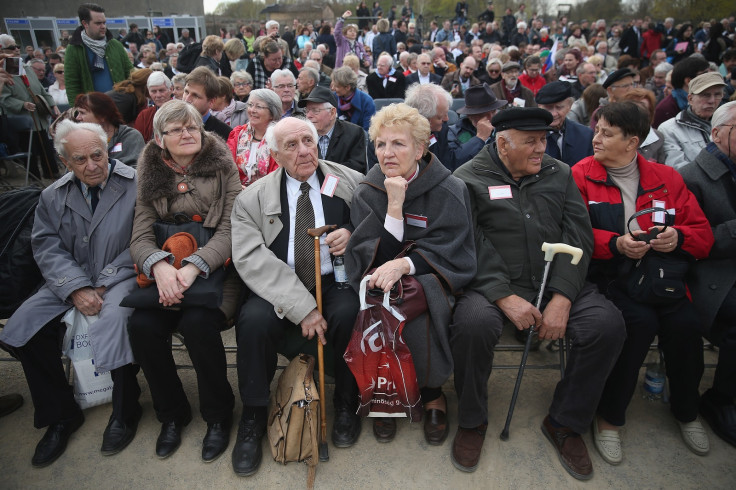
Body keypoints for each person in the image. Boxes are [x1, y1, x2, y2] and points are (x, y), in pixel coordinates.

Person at [452, 107, 626, 478]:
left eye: (544, 139)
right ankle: (472, 419)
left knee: (606, 325)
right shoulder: (467, 179)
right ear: (502, 143)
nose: (541, 149)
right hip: (494, 287)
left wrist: (562, 297)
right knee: (472, 323)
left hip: (557, 279)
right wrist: (503, 296)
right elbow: (469, 243)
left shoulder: (559, 173)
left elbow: (577, 236)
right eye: (530, 141)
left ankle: (565, 421)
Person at [571, 101, 714, 463]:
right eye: (597, 129)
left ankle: (687, 410)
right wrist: (615, 243)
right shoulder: (580, 175)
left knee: (686, 325)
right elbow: (574, 235)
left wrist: (677, 237)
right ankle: (610, 418)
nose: (596, 138)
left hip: (661, 278)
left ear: (632, 142)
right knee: (637, 324)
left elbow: (703, 235)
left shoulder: (667, 178)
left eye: (607, 133)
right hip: (610, 278)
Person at [0, 120, 142, 466]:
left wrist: (104, 280)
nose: (92, 165)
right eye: (81, 159)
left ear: (108, 150)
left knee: (115, 320)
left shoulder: (136, 183)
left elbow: (143, 237)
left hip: (120, 273)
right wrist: (76, 286)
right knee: (24, 330)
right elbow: (46, 246)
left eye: (98, 154)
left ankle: (125, 410)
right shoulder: (52, 195)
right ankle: (61, 414)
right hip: (68, 278)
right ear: (65, 163)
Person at [230, 117, 364, 476]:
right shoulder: (252, 198)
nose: (304, 151)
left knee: (350, 311)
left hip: (332, 278)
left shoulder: (349, 181)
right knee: (253, 321)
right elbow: (250, 258)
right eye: (292, 145)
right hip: (278, 283)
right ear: (275, 154)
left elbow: (374, 223)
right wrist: (302, 308)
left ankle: (347, 402)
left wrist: (352, 234)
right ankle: (254, 416)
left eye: (309, 140)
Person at [346, 102, 475, 445]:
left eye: (398, 144)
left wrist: (408, 264)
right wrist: (393, 206)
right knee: (379, 302)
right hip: (380, 286)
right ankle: (385, 397)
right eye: (380, 144)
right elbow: (367, 258)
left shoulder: (449, 189)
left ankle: (432, 393)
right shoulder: (368, 189)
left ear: (420, 148)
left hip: (435, 278)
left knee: (421, 306)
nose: (387, 153)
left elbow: (456, 248)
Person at [127, 99, 240, 462]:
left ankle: (218, 416)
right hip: (166, 274)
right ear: (160, 139)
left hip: (216, 273)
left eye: (192, 126)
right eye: (176, 129)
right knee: (142, 325)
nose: (187, 133)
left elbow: (231, 229)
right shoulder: (150, 171)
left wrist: (193, 267)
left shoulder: (223, 165)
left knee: (197, 325)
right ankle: (172, 414)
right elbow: (140, 236)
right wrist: (158, 267)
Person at [681, 101, 736, 450]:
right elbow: (692, 242)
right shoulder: (691, 177)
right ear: (716, 134)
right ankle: (722, 399)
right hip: (711, 276)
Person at [0, 35, 61, 179]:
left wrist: (52, 105)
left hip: (39, 118)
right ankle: (35, 179)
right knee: (30, 151)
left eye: (17, 47)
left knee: (46, 147)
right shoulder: (4, 71)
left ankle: (52, 173)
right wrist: (22, 104)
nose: (15, 50)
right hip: (23, 120)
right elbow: (4, 99)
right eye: (11, 48)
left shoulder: (26, 68)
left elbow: (40, 89)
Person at [65, 3, 133, 105]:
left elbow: (130, 73)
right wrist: (77, 110)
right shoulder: (74, 49)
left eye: (104, 23)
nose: (103, 26)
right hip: (92, 109)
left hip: (120, 106)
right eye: (98, 23)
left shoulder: (115, 45)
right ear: (85, 24)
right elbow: (72, 84)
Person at [659, 72, 725, 170]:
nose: (712, 100)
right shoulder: (669, 129)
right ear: (690, 99)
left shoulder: (728, 124)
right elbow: (677, 169)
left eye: (717, 94)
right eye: (706, 95)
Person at [300, 86, 366, 173]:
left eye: (315, 110)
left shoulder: (354, 133)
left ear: (332, 113)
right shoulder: (303, 135)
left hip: (343, 184)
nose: (309, 115)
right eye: (307, 111)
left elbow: (357, 167)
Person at [227, 88, 282, 187]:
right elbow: (227, 167)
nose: (252, 110)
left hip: (269, 193)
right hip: (238, 192)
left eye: (259, 107)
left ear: (272, 113)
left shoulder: (280, 137)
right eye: (250, 105)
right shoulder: (237, 134)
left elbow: (279, 174)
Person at [74, 92, 144, 167]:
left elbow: (135, 170)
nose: (78, 117)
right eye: (78, 113)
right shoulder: (79, 140)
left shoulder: (131, 137)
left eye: (82, 113)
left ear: (102, 116)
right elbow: (70, 172)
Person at [448, 83, 507, 170]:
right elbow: (454, 163)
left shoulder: (503, 129)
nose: (491, 118)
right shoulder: (454, 133)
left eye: (493, 112)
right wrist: (479, 138)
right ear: (470, 116)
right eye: (485, 114)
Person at [535, 81, 593, 166]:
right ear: (539, 107)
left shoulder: (585, 136)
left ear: (569, 107)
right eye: (548, 108)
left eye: (559, 107)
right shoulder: (530, 136)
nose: (554, 114)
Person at [405, 82, 454, 170]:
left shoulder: (442, 128)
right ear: (425, 119)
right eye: (440, 117)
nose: (447, 119)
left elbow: (446, 163)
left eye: (446, 113)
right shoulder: (399, 138)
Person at [183, 66, 234, 141]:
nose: (187, 99)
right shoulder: (170, 124)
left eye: (195, 95)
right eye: (186, 92)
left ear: (211, 102)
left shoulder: (225, 134)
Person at [620, 88, 666, 163]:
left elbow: (662, 167)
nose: (637, 113)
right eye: (633, 108)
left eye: (642, 109)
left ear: (650, 114)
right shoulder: (615, 135)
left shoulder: (658, 137)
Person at [133, 71, 173, 143]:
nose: (158, 95)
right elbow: (138, 143)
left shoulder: (183, 111)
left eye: (161, 90)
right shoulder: (144, 116)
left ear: (171, 89)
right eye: (153, 91)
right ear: (149, 92)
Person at [332, 66, 376, 131]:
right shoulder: (333, 98)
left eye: (337, 86)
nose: (333, 88)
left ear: (348, 87)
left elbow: (369, 131)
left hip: (359, 139)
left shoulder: (367, 102)